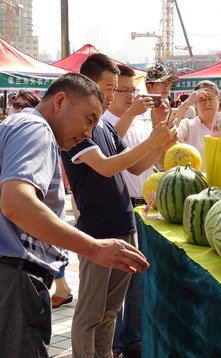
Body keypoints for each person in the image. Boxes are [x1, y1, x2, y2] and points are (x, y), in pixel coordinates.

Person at [0, 72, 149, 358]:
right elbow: (16, 203)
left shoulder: (20, 125)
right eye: (89, 118)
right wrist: (93, 247)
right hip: (14, 277)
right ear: (60, 101)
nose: (89, 132)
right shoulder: (36, 128)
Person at [62, 54, 177, 358]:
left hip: (125, 225)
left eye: (118, 89)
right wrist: (152, 142)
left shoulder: (106, 128)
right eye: (110, 88)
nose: (112, 95)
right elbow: (107, 167)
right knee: (90, 314)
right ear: (87, 84)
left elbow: (136, 167)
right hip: (97, 234)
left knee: (111, 311)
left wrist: (161, 145)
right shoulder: (78, 130)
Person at [102, 64, 154, 358]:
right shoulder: (104, 121)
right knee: (114, 284)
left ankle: (132, 339)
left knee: (136, 278)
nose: (129, 97)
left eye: (133, 91)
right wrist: (133, 112)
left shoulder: (140, 120)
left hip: (142, 205)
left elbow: (139, 164)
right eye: (122, 91)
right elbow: (113, 157)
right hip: (118, 207)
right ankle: (116, 342)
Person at [174, 80, 220, 169]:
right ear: (195, 103)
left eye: (210, 99)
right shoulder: (188, 125)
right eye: (201, 99)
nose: (207, 104)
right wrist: (187, 102)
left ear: (218, 100)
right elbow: (171, 131)